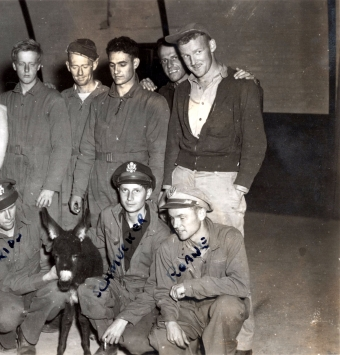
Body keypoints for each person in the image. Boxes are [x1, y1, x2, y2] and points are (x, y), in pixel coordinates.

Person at [161, 24, 266, 353]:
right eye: (186, 56)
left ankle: (243, 339)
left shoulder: (242, 86)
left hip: (222, 182)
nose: (193, 61)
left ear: (213, 46)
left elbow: (256, 142)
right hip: (183, 178)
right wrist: (168, 180)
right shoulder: (181, 90)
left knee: (230, 259)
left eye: (198, 53)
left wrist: (241, 186)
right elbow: (172, 141)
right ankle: (191, 327)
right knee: (184, 253)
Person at [70, 36, 170, 231]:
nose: (116, 71)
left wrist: (152, 194)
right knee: (100, 239)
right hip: (99, 183)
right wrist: (77, 191)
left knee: (131, 240)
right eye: (113, 65)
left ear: (136, 63)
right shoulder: (99, 103)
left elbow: (158, 156)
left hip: (132, 182)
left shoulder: (153, 103)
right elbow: (87, 151)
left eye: (123, 64)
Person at [78, 161, 170, 355]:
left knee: (135, 343)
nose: (129, 198)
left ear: (149, 192)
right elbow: (98, 248)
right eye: (124, 190)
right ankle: (108, 342)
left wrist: (123, 319)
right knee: (88, 290)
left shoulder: (161, 233)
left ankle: (122, 329)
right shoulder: (108, 216)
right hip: (116, 285)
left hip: (145, 294)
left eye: (136, 191)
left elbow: (158, 286)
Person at [150, 185, 250, 355]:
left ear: (201, 213)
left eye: (182, 217)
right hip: (186, 311)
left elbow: (241, 285)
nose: (175, 224)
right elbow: (163, 290)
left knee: (229, 306)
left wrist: (192, 287)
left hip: (219, 309)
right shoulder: (168, 247)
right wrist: (170, 321)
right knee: (162, 338)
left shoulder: (229, 237)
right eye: (172, 218)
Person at [0, 178, 67, 354]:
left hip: (32, 282)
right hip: (3, 292)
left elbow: (57, 243)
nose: (9, 216)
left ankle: (27, 338)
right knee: (7, 316)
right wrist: (46, 277)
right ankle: (7, 340)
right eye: (0, 211)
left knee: (60, 293)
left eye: (11, 207)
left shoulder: (33, 216)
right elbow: (5, 283)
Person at [0, 39, 71, 222]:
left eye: (32, 64)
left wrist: (50, 187)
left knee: (42, 235)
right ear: (14, 66)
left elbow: (62, 146)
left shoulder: (52, 100)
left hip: (39, 182)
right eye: (22, 64)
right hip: (10, 179)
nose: (27, 70)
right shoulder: (3, 101)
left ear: (39, 66)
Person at [60, 39, 109, 230]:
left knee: (99, 230)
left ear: (95, 64)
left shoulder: (107, 96)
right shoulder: (61, 99)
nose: (79, 73)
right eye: (74, 66)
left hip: (98, 172)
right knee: (69, 231)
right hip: (68, 176)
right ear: (67, 66)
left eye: (85, 66)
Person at [140, 39, 257, 110]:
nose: (169, 65)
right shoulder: (163, 93)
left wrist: (252, 82)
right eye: (164, 60)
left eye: (174, 57)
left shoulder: (207, 86)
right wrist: (140, 90)